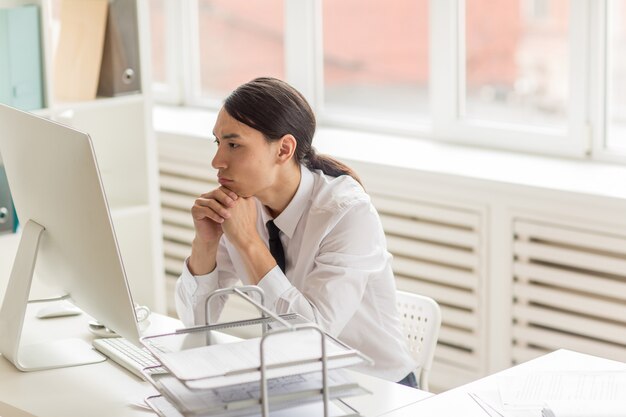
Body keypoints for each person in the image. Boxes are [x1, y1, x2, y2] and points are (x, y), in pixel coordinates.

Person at [175, 77, 418, 387]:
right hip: (299, 383)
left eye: (234, 145)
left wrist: (250, 243)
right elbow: (196, 324)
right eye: (218, 143)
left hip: (377, 389)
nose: (217, 161)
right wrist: (205, 243)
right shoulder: (244, 208)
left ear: (284, 149)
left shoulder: (347, 213)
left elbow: (312, 338)